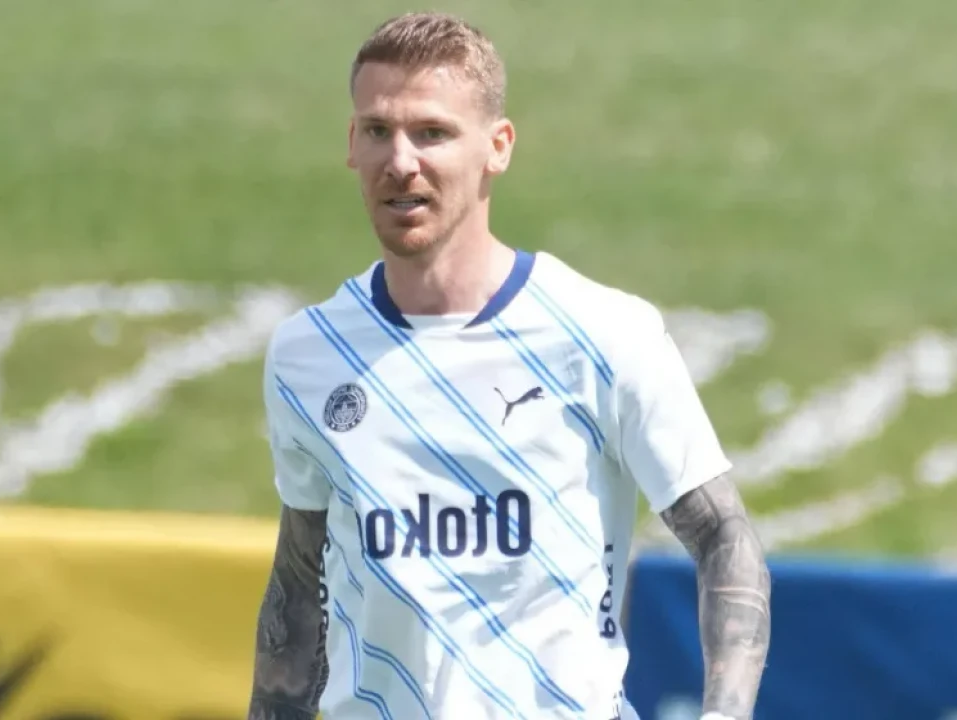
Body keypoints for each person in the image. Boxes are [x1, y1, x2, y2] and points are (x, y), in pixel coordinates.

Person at [248, 11, 771, 720]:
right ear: (351, 144)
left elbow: (723, 535)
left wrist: (725, 714)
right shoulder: (308, 355)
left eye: (431, 133)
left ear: (497, 147)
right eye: (378, 130)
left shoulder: (603, 334)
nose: (400, 161)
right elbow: (297, 589)